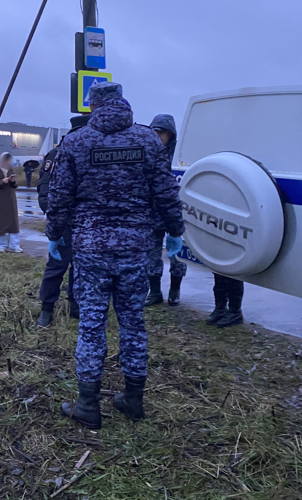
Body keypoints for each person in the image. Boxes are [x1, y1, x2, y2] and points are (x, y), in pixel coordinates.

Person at [46, 81, 184, 428]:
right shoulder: (148, 140)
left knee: (92, 324)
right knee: (133, 321)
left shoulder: (75, 142)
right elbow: (166, 192)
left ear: (92, 106)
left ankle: (88, 405)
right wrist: (175, 232)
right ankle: (133, 399)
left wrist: (53, 235)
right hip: (135, 246)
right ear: (123, 103)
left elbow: (60, 196)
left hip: (91, 248)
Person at [35, 115, 90, 328]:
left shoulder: (90, 152)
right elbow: (45, 186)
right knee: (57, 265)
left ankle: (75, 305)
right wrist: (51, 212)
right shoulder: (57, 154)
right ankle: (46, 309)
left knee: (81, 267)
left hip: (86, 222)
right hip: (64, 221)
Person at [145, 114, 188, 307]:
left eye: (161, 132)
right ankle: (154, 291)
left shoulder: (180, 157)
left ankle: (175, 290)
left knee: (177, 255)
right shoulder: (146, 153)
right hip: (151, 213)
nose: (157, 136)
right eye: (154, 131)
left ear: (170, 134)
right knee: (151, 255)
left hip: (174, 213)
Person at [0, 152, 22, 253]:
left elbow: (15, 185)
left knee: (13, 223)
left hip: (10, 199)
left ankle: (15, 246)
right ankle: (1, 245)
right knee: (0, 223)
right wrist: (2, 181)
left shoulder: (10, 170)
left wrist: (12, 181)